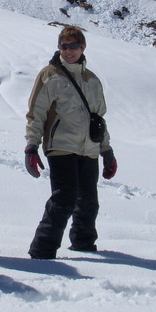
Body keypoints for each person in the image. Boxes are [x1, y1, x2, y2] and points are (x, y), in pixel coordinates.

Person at [23, 25, 117, 259]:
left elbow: (98, 118)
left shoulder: (92, 79)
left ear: (82, 47)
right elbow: (37, 114)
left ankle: (84, 245)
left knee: (88, 201)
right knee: (64, 198)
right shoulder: (50, 74)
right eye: (63, 47)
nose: (68, 51)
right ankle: (42, 249)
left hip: (89, 148)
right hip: (61, 146)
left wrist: (107, 150)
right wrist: (31, 146)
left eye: (73, 46)